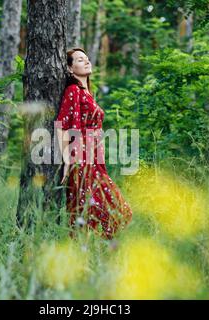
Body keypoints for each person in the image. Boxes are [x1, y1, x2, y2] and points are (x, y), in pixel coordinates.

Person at [55, 47, 132, 240]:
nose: (86, 61)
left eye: (87, 58)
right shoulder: (73, 90)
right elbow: (62, 125)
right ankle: (83, 252)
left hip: (95, 158)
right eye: (80, 60)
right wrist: (66, 161)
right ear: (70, 69)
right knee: (88, 208)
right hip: (81, 159)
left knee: (115, 209)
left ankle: (98, 250)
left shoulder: (88, 93)